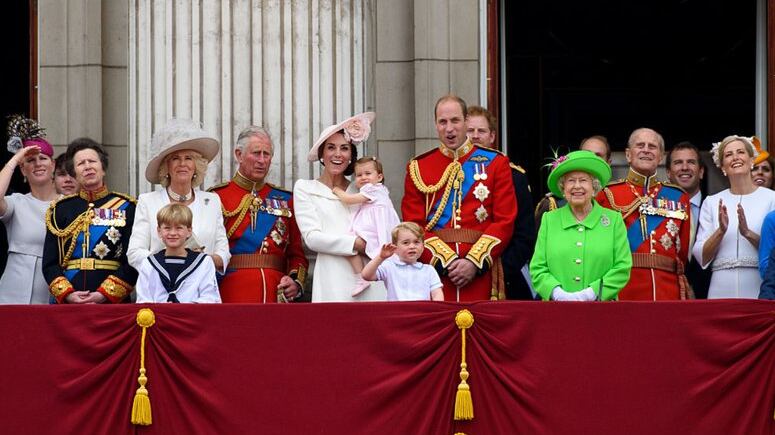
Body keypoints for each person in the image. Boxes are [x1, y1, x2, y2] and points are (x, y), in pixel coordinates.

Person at [401, 95, 516, 301]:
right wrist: (446, 262)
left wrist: (474, 262)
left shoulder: (496, 163)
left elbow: (505, 221)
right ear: (436, 125)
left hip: (481, 271)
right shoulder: (419, 167)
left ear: (466, 122)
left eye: (455, 120)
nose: (449, 128)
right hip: (434, 273)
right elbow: (413, 226)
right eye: (442, 122)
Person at [294, 112, 387, 302]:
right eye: (331, 148)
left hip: (370, 274)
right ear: (322, 154)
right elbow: (312, 238)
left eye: (344, 148)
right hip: (332, 275)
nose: (337, 154)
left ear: (351, 156)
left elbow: (385, 222)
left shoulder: (363, 189)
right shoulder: (305, 188)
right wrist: (355, 244)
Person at [212, 126, 307, 303]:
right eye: (256, 153)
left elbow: (297, 254)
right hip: (231, 292)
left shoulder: (287, 199)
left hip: (276, 292)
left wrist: (295, 281)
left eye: (267, 154)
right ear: (239, 155)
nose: (262, 160)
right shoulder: (216, 197)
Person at [127, 119, 230, 279]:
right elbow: (134, 253)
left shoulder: (212, 201)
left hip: (200, 286)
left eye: (188, 158)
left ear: (196, 165)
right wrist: (166, 263)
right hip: (159, 285)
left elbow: (223, 253)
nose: (182, 164)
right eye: (175, 158)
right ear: (166, 166)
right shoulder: (148, 201)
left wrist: (201, 261)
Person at [596, 127, 691, 300]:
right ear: (628, 154)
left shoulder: (678, 197)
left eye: (652, 146)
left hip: (667, 290)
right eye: (640, 145)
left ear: (661, 156)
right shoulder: (607, 195)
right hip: (624, 287)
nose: (646, 150)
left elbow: (682, 253)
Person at [42, 138, 137, 303]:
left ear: (103, 168)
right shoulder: (60, 209)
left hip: (112, 302)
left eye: (92, 161)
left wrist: (104, 294)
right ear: (74, 174)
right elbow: (50, 262)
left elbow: (133, 258)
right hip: (69, 298)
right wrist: (68, 294)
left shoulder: (127, 206)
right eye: (81, 164)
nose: (87, 167)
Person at [530, 151, 631, 300]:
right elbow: (537, 268)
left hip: (602, 310)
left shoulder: (614, 220)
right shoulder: (549, 220)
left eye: (583, 180)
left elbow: (622, 267)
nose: (577, 186)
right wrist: (557, 294)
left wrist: (592, 293)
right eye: (571, 181)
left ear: (594, 186)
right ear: (563, 188)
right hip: (556, 310)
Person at [466, 105, 536, 300]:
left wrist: (494, 270)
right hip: (457, 277)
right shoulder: (449, 176)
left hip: (503, 279)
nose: (475, 136)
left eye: (482, 131)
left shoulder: (514, 176)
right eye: (470, 131)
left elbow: (524, 236)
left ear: (492, 136)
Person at [693, 135, 775, 299]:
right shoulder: (711, 202)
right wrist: (721, 231)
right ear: (722, 166)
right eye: (729, 154)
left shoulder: (772, 198)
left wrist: (747, 233)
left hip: (759, 284)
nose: (735, 157)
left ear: (752, 160)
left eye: (740, 152)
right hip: (720, 286)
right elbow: (701, 256)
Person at [0, 116, 59, 304]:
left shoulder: (67, 205)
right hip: (13, 292)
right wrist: (16, 158)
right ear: (23, 170)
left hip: (53, 289)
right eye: (31, 160)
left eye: (43, 158)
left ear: (53, 165)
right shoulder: (16, 203)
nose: (38, 164)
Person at [331, 156, 400, 295]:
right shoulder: (381, 190)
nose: (363, 178)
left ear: (379, 177)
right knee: (349, 245)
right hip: (374, 226)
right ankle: (362, 277)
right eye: (359, 175)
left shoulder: (372, 189)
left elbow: (349, 199)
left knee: (348, 244)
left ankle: (361, 277)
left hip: (373, 228)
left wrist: (337, 190)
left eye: (368, 174)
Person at [135, 203, 221, 303]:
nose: (172, 233)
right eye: (167, 228)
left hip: (191, 317)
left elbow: (210, 298)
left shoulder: (204, 262)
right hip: (158, 317)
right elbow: (143, 301)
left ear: (189, 231)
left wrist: (181, 311)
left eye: (179, 228)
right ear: (159, 231)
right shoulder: (149, 263)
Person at [534, 135, 612, 231]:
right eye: (586, 154)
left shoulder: (615, 201)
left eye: (598, 155)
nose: (591, 158)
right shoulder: (554, 205)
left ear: (608, 163)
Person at [666, 141, 711, 299]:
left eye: (691, 162)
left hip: (710, 296)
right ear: (668, 173)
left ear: (701, 172)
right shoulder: (657, 212)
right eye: (678, 163)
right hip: (669, 295)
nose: (684, 167)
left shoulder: (717, 207)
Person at [361, 222, 444, 301]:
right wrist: (380, 257)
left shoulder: (429, 270)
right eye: (406, 243)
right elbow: (366, 275)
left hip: (422, 313)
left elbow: (437, 294)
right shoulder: (389, 266)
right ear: (395, 248)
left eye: (416, 242)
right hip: (397, 313)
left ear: (422, 247)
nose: (412, 246)